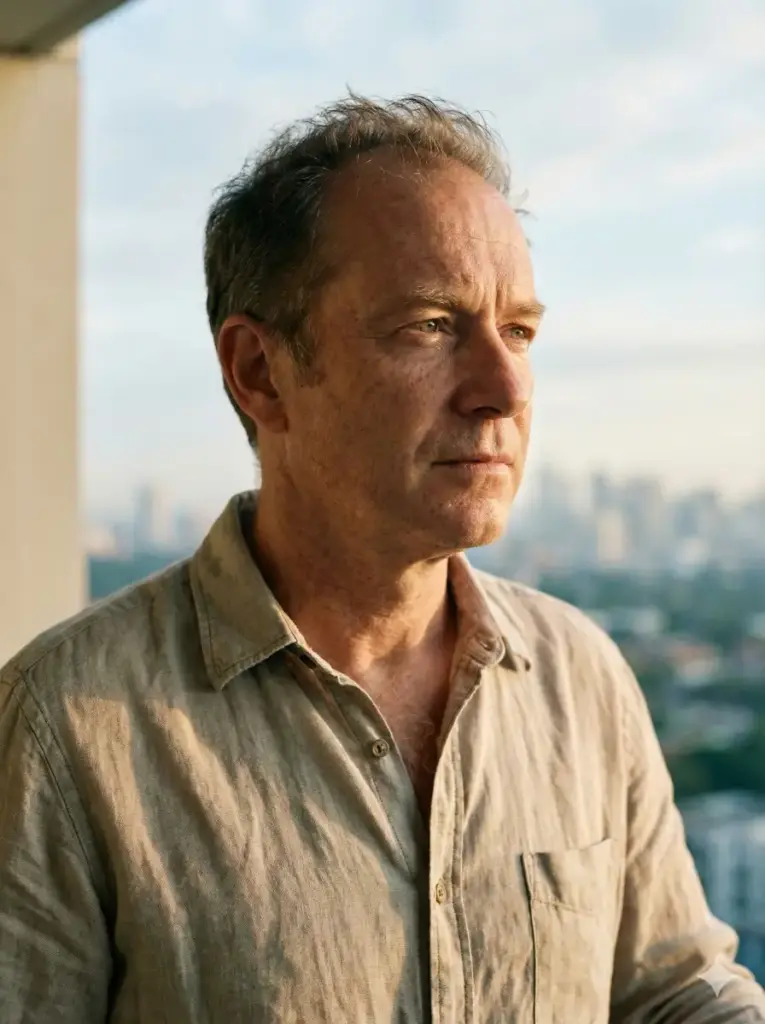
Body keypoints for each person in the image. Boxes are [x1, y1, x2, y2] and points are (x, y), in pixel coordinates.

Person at [0, 95, 763, 1024]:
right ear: (258, 371)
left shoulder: (579, 678)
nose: (504, 389)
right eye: (430, 326)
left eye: (518, 330)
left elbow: (672, 994)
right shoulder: (64, 729)